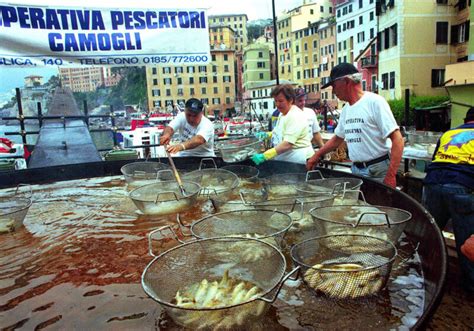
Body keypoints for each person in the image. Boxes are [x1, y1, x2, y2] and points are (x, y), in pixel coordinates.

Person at [306, 63, 404, 188]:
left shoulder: (375, 102)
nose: (333, 91)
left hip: (378, 170)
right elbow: (337, 138)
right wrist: (317, 155)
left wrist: (391, 175)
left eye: (334, 86)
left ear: (347, 81)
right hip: (356, 169)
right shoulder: (346, 109)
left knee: (378, 207)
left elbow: (398, 140)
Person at [422, 107, 474, 292]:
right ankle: (470, 285)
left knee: (430, 234)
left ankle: (424, 276)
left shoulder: (449, 133)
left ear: (465, 120)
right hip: (462, 186)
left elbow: (436, 158)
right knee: (467, 240)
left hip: (432, 184)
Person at [252, 84, 314, 165]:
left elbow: (287, 144)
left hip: (299, 161)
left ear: (291, 100)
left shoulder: (295, 116)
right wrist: (267, 135)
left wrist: (265, 156)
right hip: (287, 160)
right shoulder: (283, 114)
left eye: (281, 101)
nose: (277, 104)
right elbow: (280, 132)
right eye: (276, 101)